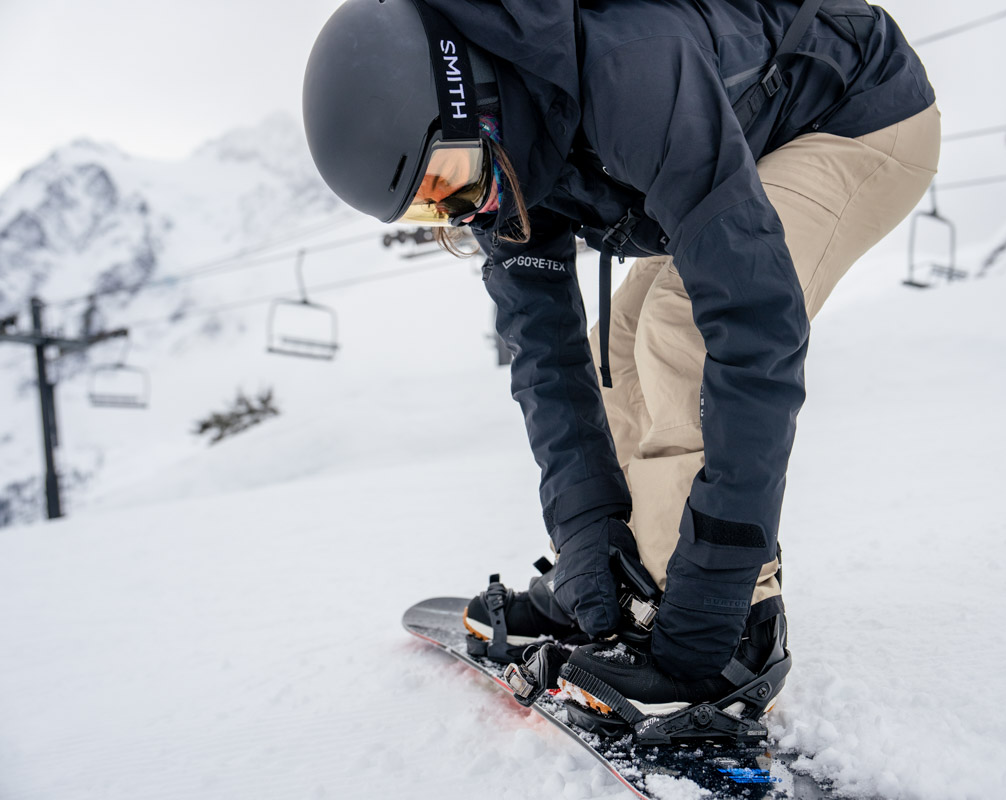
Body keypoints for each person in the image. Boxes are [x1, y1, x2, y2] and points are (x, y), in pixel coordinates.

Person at [303, 0, 939, 728]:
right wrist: (585, 540)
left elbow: (754, 321)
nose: (463, 212)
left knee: (682, 324)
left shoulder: (628, 68)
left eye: (450, 177)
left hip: (859, 114)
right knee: (618, 343)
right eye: (430, 207)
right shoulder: (494, 161)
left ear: (477, 94)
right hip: (744, 129)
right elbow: (545, 357)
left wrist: (713, 598)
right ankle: (628, 585)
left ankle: (732, 630)